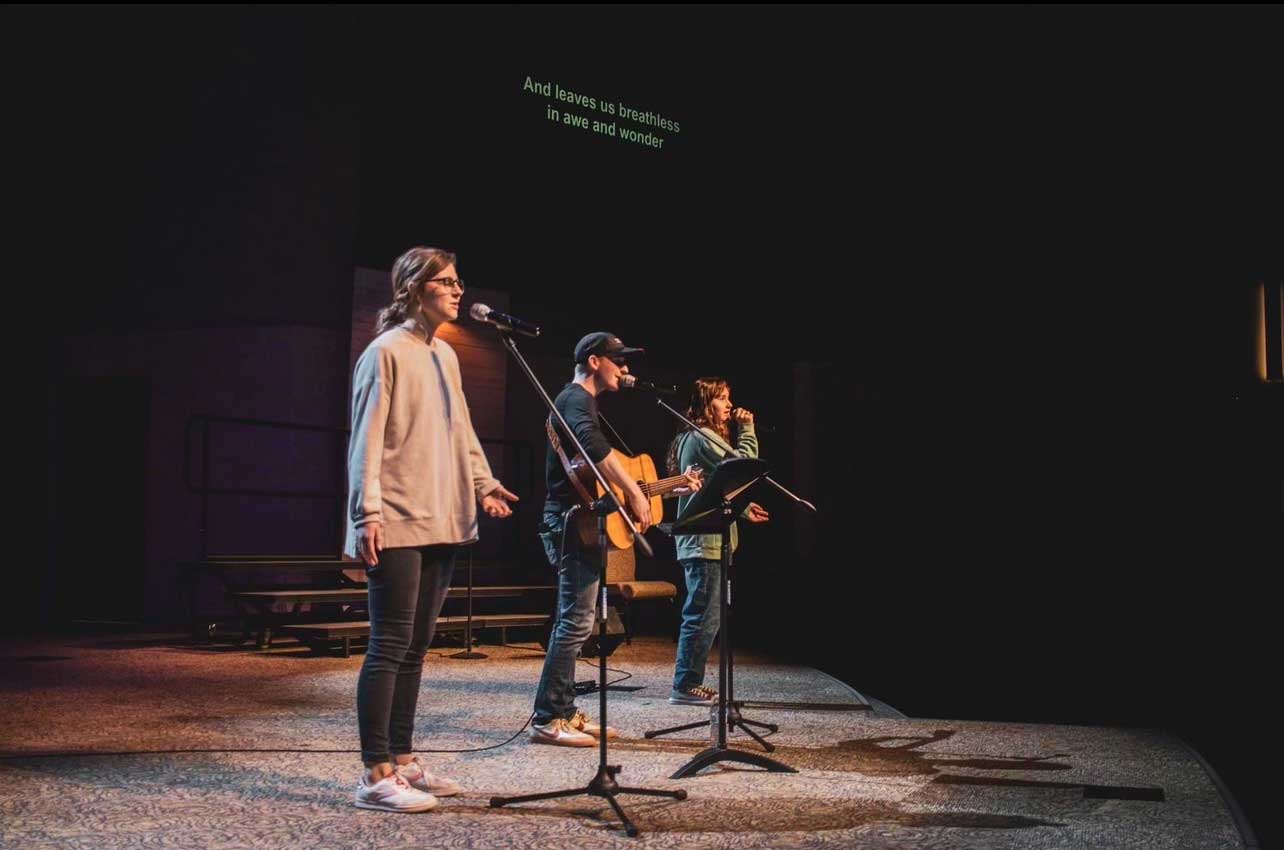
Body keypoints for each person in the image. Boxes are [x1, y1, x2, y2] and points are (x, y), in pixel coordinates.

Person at [346, 246, 519, 812]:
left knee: (417, 646)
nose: (457, 289)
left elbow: (461, 430)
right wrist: (365, 513)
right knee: (390, 644)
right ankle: (375, 771)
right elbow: (366, 438)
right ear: (414, 289)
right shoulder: (385, 352)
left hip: (443, 514)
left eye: (458, 281)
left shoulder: (445, 354)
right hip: (396, 516)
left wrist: (484, 483)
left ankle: (402, 758)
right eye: (445, 281)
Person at [529, 332, 700, 745]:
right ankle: (548, 717)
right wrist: (636, 496)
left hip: (585, 521)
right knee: (573, 622)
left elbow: (606, 482)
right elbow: (594, 450)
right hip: (571, 523)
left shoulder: (583, 402)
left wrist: (660, 490)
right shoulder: (575, 398)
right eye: (618, 361)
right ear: (593, 361)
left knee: (578, 622)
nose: (625, 369)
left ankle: (563, 709)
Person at [664, 377, 769, 706]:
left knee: (706, 615)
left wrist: (742, 510)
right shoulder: (702, 436)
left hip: (707, 541)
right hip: (703, 542)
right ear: (705, 403)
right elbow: (743, 467)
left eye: (728, 398)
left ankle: (688, 682)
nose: (729, 405)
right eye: (722, 398)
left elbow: (715, 489)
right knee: (702, 616)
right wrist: (748, 428)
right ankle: (685, 685)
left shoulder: (696, 438)